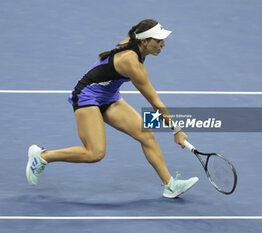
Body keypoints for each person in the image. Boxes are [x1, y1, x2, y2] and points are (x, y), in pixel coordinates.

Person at [26, 19, 198, 198]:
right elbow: (155, 102)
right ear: (144, 41)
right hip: (87, 96)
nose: (163, 44)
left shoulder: (134, 41)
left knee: (146, 134)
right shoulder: (132, 64)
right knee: (95, 153)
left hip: (109, 96)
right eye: (158, 40)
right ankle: (42, 156)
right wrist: (176, 130)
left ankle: (170, 185)